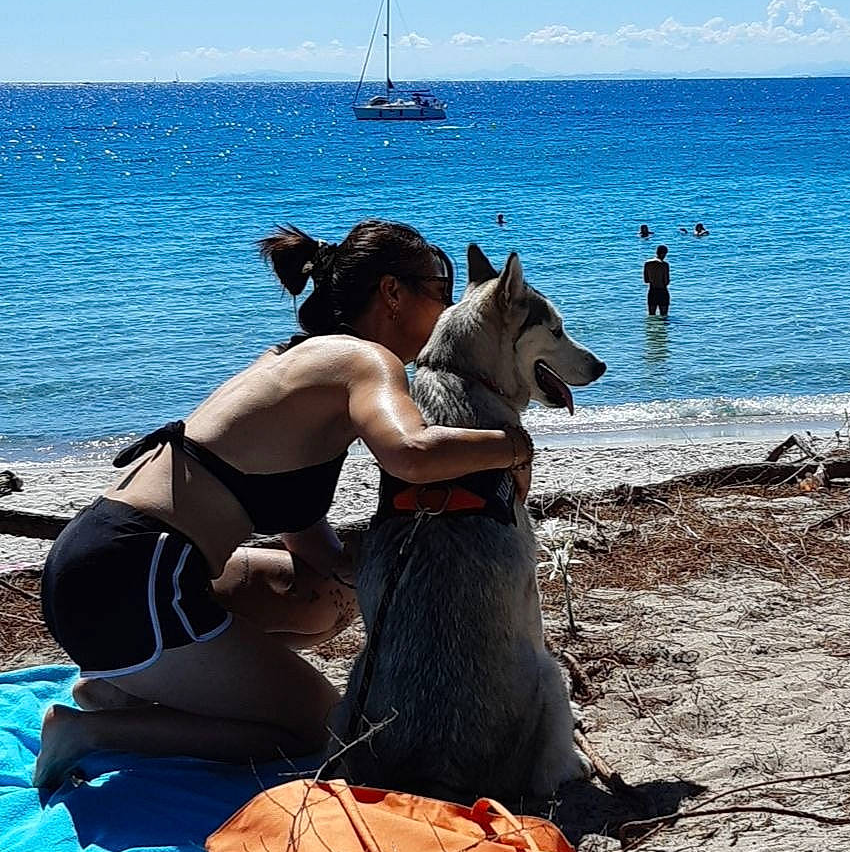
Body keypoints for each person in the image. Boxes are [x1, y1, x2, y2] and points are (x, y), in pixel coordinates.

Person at [36, 220, 535, 790]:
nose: (448, 312)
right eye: (441, 293)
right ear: (393, 293)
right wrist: (514, 446)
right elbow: (412, 452)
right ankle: (90, 732)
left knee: (324, 602)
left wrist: (385, 575)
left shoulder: (294, 357)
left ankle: (125, 686)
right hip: (138, 582)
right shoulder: (365, 361)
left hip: (97, 564)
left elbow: (307, 537)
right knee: (327, 733)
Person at [643, 244, 671, 318]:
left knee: (651, 316)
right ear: (664, 253)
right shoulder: (664, 264)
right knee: (664, 316)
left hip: (652, 291)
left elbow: (646, 280)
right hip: (662, 291)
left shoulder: (647, 263)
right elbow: (666, 281)